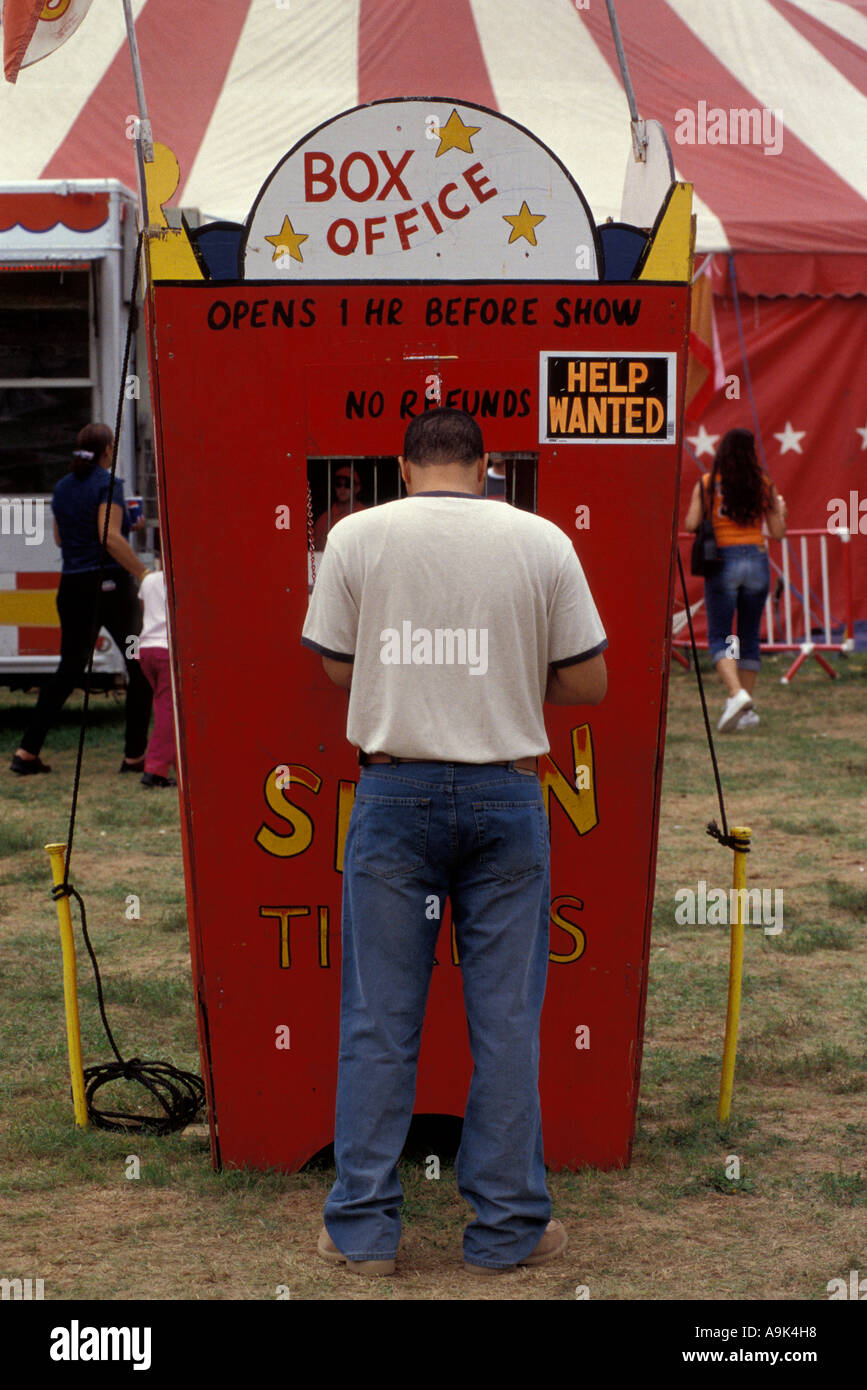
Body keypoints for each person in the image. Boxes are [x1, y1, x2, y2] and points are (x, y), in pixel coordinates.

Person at [301, 407, 607, 1276]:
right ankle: (508, 1228)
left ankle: (361, 1232)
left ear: (404, 467)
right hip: (506, 791)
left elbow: (332, 664)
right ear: (485, 467)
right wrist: (509, 666)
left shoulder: (358, 536)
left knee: (377, 1021)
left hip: (393, 788)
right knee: (505, 1022)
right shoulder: (541, 540)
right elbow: (590, 680)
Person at [10, 423, 153, 776]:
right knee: (138, 666)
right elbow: (109, 537)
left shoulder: (61, 487)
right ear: (107, 450)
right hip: (112, 592)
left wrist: (121, 528)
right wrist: (145, 575)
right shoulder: (109, 485)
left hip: (72, 590)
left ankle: (26, 753)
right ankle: (135, 756)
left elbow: (61, 540)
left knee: (68, 670)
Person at [684, 427, 786, 732]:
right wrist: (781, 510)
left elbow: (690, 523)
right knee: (750, 636)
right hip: (756, 559)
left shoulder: (707, 483)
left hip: (723, 562)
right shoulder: (762, 484)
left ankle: (736, 694)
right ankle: (746, 708)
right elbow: (778, 533)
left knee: (721, 636)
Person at [136, 536, 177, 789]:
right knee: (168, 712)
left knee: (163, 707)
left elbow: (144, 612)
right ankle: (155, 770)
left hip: (146, 649)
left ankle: (173, 763)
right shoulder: (180, 580)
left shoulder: (149, 580)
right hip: (167, 650)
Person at [312, 465, 366, 549]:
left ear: (357, 488)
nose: (342, 489)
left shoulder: (365, 515)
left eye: (348, 485)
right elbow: (316, 554)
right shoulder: (323, 520)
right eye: (338, 484)